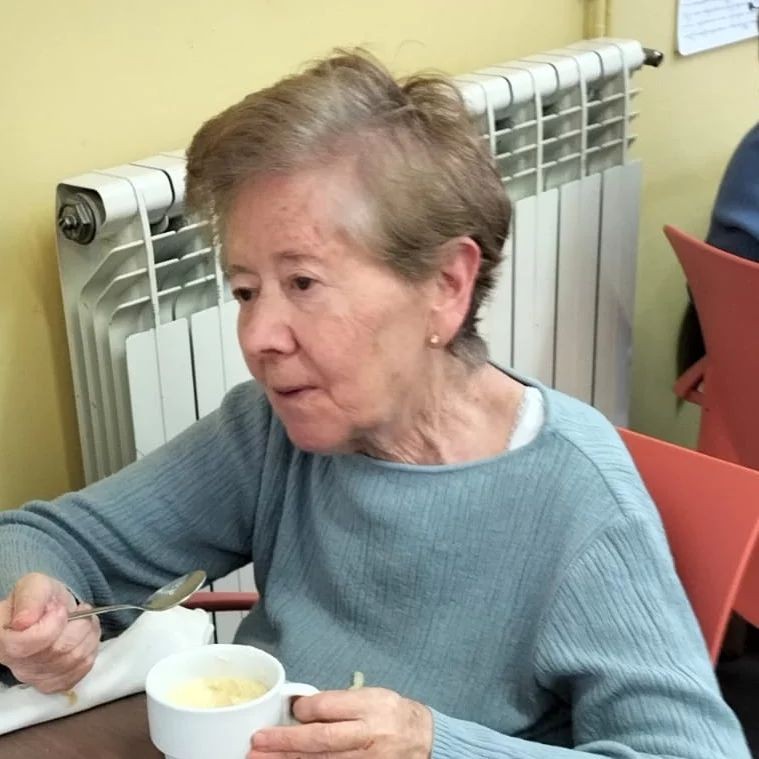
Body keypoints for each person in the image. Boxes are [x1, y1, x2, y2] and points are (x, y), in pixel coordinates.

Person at [0, 50, 750, 758]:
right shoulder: (269, 429)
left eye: (302, 283)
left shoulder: (576, 497)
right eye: (246, 290)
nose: (257, 336)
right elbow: (41, 536)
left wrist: (434, 744)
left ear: (446, 286)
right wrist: (40, 606)